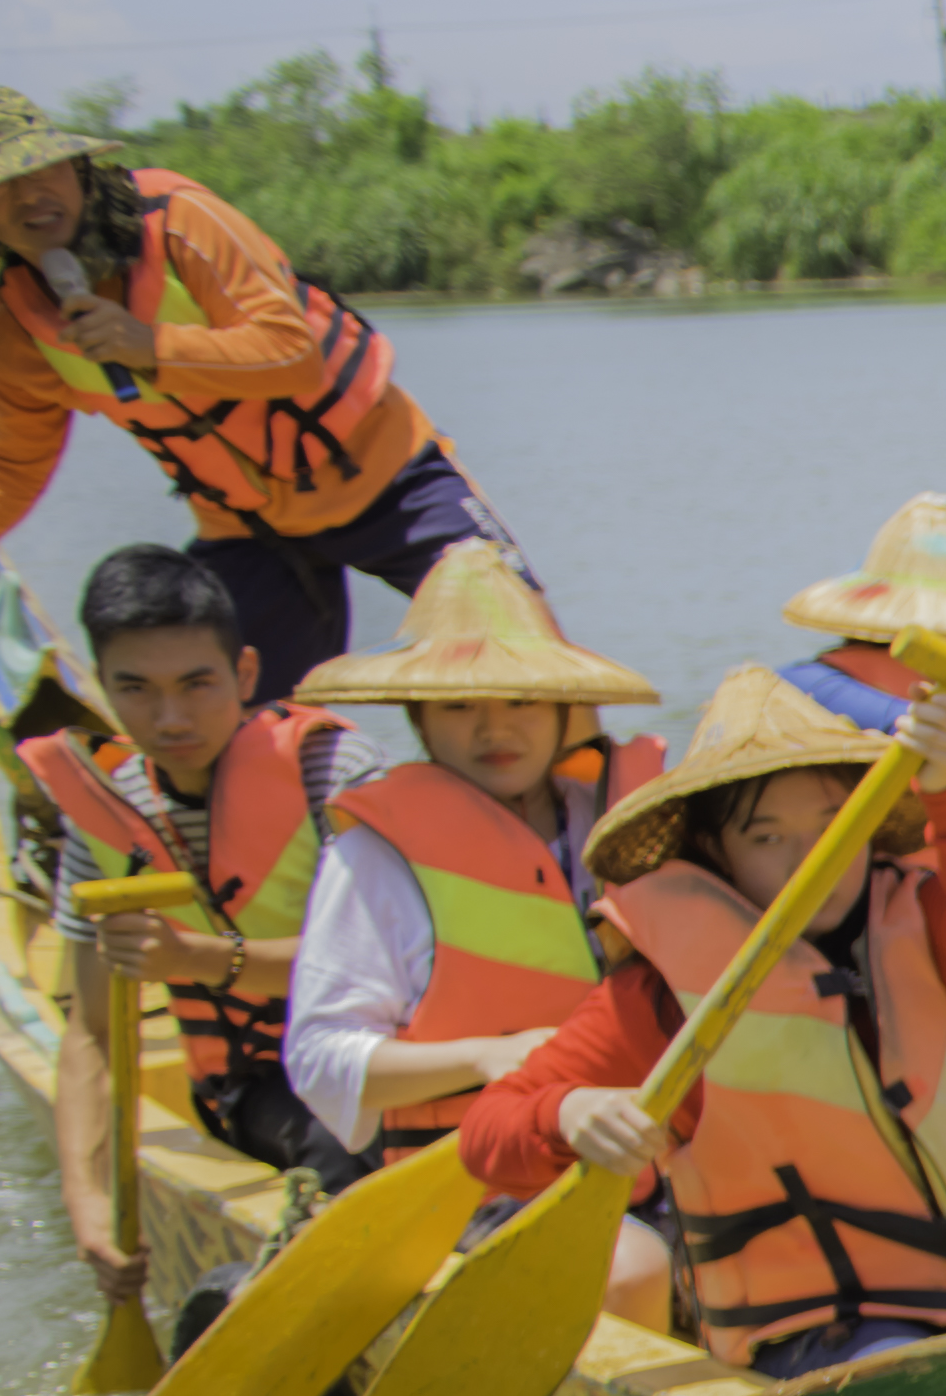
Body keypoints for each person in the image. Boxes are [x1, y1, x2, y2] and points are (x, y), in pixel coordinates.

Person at [463, 655, 946, 1377]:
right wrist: (568, 1112)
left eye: (833, 825)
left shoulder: (921, 918)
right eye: (767, 837)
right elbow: (487, 1136)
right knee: (918, 1383)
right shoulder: (662, 994)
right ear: (714, 851)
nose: (811, 859)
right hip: (831, 1327)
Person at [0, 91, 536, 701]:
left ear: (74, 165)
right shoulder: (14, 333)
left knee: (529, 667)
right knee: (212, 720)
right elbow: (5, 470)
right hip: (248, 527)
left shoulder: (181, 223)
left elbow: (293, 356)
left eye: (39, 169)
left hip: (395, 483)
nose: (29, 197)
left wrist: (151, 346)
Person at [277, 544, 681, 1335]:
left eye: (522, 701)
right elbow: (319, 1058)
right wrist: (484, 1059)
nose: (495, 728)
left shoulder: (629, 820)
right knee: (631, 1266)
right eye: (461, 706)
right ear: (419, 717)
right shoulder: (374, 855)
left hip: (656, 1154)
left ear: (564, 709)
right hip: (475, 1180)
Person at [37, 546, 373, 1350]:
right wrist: (86, 1206)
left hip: (380, 1052)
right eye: (135, 691)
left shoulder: (334, 769)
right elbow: (91, 1036)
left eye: (197, 684)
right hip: (256, 1086)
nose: (171, 720)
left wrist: (196, 961)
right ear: (101, 684)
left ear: (246, 672)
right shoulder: (104, 812)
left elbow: (378, 963)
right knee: (340, 1139)